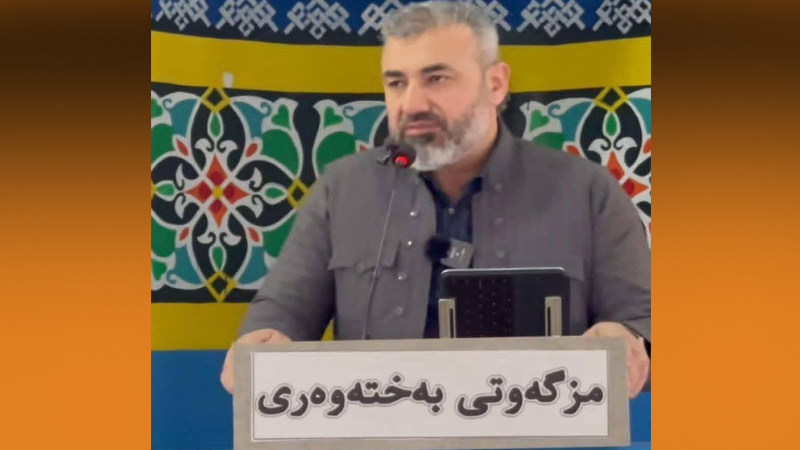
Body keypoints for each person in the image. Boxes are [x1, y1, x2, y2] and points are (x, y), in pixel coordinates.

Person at [221, 0, 650, 397]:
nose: (412, 103)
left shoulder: (585, 191)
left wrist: (629, 342)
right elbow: (284, 311)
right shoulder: (343, 187)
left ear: (495, 84)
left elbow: (643, 324)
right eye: (396, 82)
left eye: (436, 79)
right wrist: (264, 340)